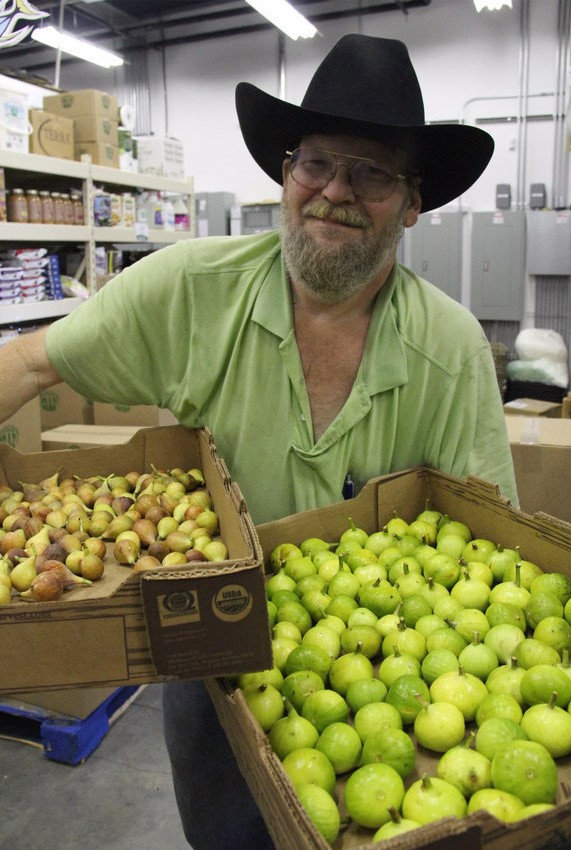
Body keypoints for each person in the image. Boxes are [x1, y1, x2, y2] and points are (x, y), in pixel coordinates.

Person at [0, 34, 517, 849]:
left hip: (381, 689)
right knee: (224, 833)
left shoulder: (449, 349)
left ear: (413, 202)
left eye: (372, 172)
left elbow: (490, 545)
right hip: (208, 658)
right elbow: (30, 361)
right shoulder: (190, 291)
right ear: (285, 172)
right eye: (315, 162)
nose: (334, 192)